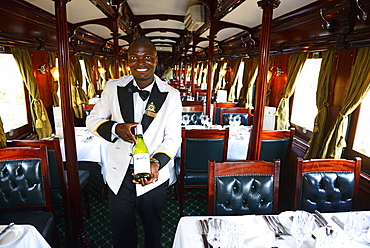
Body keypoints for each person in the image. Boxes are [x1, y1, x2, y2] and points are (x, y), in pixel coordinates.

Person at [86, 37, 182, 248]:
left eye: (147, 57)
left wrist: (156, 163)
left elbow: (173, 138)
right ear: (127, 61)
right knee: (121, 233)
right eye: (134, 58)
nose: (141, 63)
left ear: (156, 61)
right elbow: (92, 120)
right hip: (119, 174)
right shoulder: (112, 87)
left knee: (153, 230)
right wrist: (115, 129)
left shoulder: (172, 95)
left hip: (154, 175)